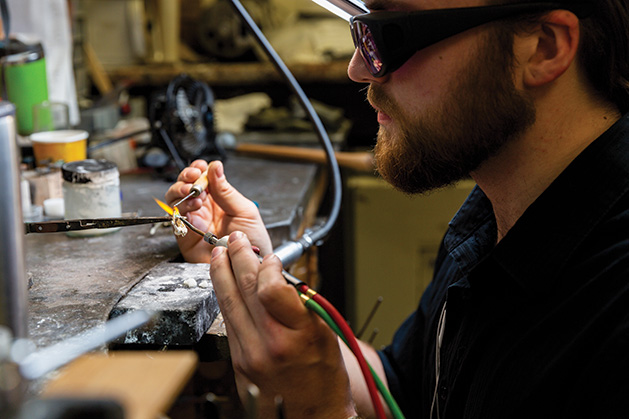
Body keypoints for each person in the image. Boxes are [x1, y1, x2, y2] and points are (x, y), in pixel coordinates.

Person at [165, 0, 629, 417]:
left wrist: (321, 410)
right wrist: (261, 282)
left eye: (390, 33)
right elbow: (402, 391)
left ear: (543, 47)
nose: (359, 70)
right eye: (361, 30)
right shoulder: (497, 213)